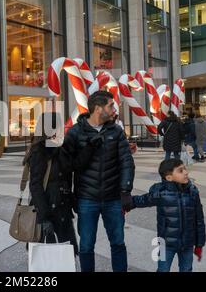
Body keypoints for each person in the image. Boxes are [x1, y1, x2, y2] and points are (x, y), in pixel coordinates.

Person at [64, 91, 135, 272]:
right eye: (110, 105)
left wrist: (126, 190)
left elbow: (126, 162)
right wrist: (69, 195)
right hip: (86, 200)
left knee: (118, 242)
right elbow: (66, 166)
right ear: (98, 108)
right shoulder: (75, 132)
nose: (114, 109)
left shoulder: (116, 131)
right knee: (86, 245)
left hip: (113, 199)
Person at [25, 112, 95, 255]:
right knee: (48, 257)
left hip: (63, 209)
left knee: (66, 253)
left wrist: (90, 147)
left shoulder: (59, 147)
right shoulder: (39, 151)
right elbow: (35, 186)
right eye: (58, 126)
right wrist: (44, 218)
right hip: (47, 211)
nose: (61, 129)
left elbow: (75, 165)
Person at [131, 159, 206, 272]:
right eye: (180, 171)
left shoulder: (192, 192)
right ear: (169, 177)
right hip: (165, 243)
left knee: (187, 269)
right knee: (162, 269)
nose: (186, 172)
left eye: (185, 168)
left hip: (187, 243)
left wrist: (199, 244)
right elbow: (142, 200)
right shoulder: (160, 193)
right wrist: (126, 204)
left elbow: (199, 219)